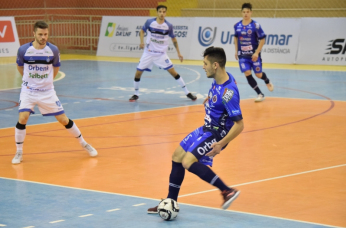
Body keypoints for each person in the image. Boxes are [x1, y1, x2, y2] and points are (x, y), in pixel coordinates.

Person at [147, 47, 244, 214]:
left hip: (217, 134)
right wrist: (211, 100)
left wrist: (221, 144)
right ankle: (171, 201)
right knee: (177, 155)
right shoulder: (220, 79)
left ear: (215, 65)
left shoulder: (229, 93)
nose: (203, 67)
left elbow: (240, 125)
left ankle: (227, 191)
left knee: (188, 162)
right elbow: (219, 95)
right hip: (207, 127)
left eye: (205, 63)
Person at [12, 21, 98, 164]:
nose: (43, 37)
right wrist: (30, 81)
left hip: (47, 92)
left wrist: (47, 82)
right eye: (40, 34)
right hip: (28, 91)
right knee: (23, 118)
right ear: (33, 34)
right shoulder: (23, 50)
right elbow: (20, 67)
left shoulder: (53, 50)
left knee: (63, 119)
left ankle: (84, 143)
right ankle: (19, 152)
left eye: (45, 34)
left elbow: (56, 68)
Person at [129, 5, 197, 102]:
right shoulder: (149, 22)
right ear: (157, 12)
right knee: (138, 73)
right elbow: (142, 31)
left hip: (161, 55)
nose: (162, 13)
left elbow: (173, 39)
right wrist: (141, 41)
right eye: (160, 11)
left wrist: (179, 53)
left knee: (174, 73)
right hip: (148, 53)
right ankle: (136, 94)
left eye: (164, 12)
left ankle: (187, 93)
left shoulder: (168, 26)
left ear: (165, 13)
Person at [233, 2, 274, 102]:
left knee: (258, 74)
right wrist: (236, 51)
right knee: (247, 72)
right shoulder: (237, 25)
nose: (246, 14)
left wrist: (256, 52)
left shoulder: (256, 25)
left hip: (254, 55)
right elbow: (236, 37)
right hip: (242, 55)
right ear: (241, 13)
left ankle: (267, 81)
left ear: (251, 12)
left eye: (247, 12)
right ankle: (260, 94)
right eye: (244, 12)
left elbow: (263, 39)